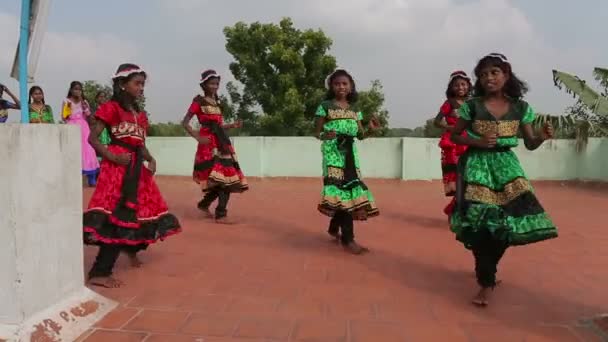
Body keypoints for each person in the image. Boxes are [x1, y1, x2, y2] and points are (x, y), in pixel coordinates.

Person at [449, 53, 558, 306]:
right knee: (480, 223)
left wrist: (542, 136)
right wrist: (476, 141)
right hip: (477, 167)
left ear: (506, 75)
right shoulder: (472, 106)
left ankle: (487, 272)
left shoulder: (521, 108)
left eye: (494, 72)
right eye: (484, 74)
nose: (489, 78)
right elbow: (455, 135)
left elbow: (530, 143)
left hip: (508, 169)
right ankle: (486, 282)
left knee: (506, 225)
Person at [84, 63, 181, 288]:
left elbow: (139, 143)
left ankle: (130, 248)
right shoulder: (111, 108)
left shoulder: (140, 114)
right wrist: (112, 156)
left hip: (137, 167)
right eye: (137, 83)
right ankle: (100, 271)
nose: (141, 88)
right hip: (117, 168)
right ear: (122, 84)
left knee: (144, 212)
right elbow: (93, 139)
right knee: (118, 215)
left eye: (143, 84)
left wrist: (150, 157)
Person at [314, 68, 380, 255]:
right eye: (337, 83)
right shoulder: (325, 106)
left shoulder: (355, 109)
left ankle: (334, 228)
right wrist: (324, 135)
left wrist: (371, 129)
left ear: (351, 86)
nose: (341, 87)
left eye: (344, 83)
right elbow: (316, 133)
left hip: (350, 153)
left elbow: (360, 135)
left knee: (348, 191)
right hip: (333, 152)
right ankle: (348, 239)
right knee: (341, 192)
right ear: (331, 86)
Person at [182, 69, 248, 224]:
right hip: (207, 146)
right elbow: (185, 122)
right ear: (204, 85)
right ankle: (220, 214)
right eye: (211, 83)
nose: (214, 86)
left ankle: (205, 205)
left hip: (222, 143)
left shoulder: (219, 103)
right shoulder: (198, 102)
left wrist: (232, 125)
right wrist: (197, 137)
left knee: (224, 179)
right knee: (221, 180)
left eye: (217, 84)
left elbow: (218, 127)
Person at [433, 71, 472, 218]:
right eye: (457, 85)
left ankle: (457, 210)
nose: (460, 87)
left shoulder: (472, 102)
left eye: (463, 84)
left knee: (471, 177)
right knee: (458, 178)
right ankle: (457, 212)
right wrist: (451, 128)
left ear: (468, 86)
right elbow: (437, 121)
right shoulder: (449, 103)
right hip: (454, 144)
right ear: (452, 87)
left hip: (469, 141)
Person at [62, 81, 100, 186]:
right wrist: (68, 108)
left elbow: (90, 117)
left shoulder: (84, 102)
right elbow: (64, 117)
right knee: (74, 150)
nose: (77, 91)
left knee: (88, 150)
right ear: (71, 90)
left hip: (84, 128)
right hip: (72, 127)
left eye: (79, 89)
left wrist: (85, 107)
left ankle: (91, 178)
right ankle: (73, 178)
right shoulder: (67, 101)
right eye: (75, 89)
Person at [92, 91, 111, 163]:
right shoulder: (93, 110)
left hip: (107, 134)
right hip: (97, 134)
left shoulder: (109, 110)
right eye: (101, 97)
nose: (103, 98)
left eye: (104, 97)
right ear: (96, 99)